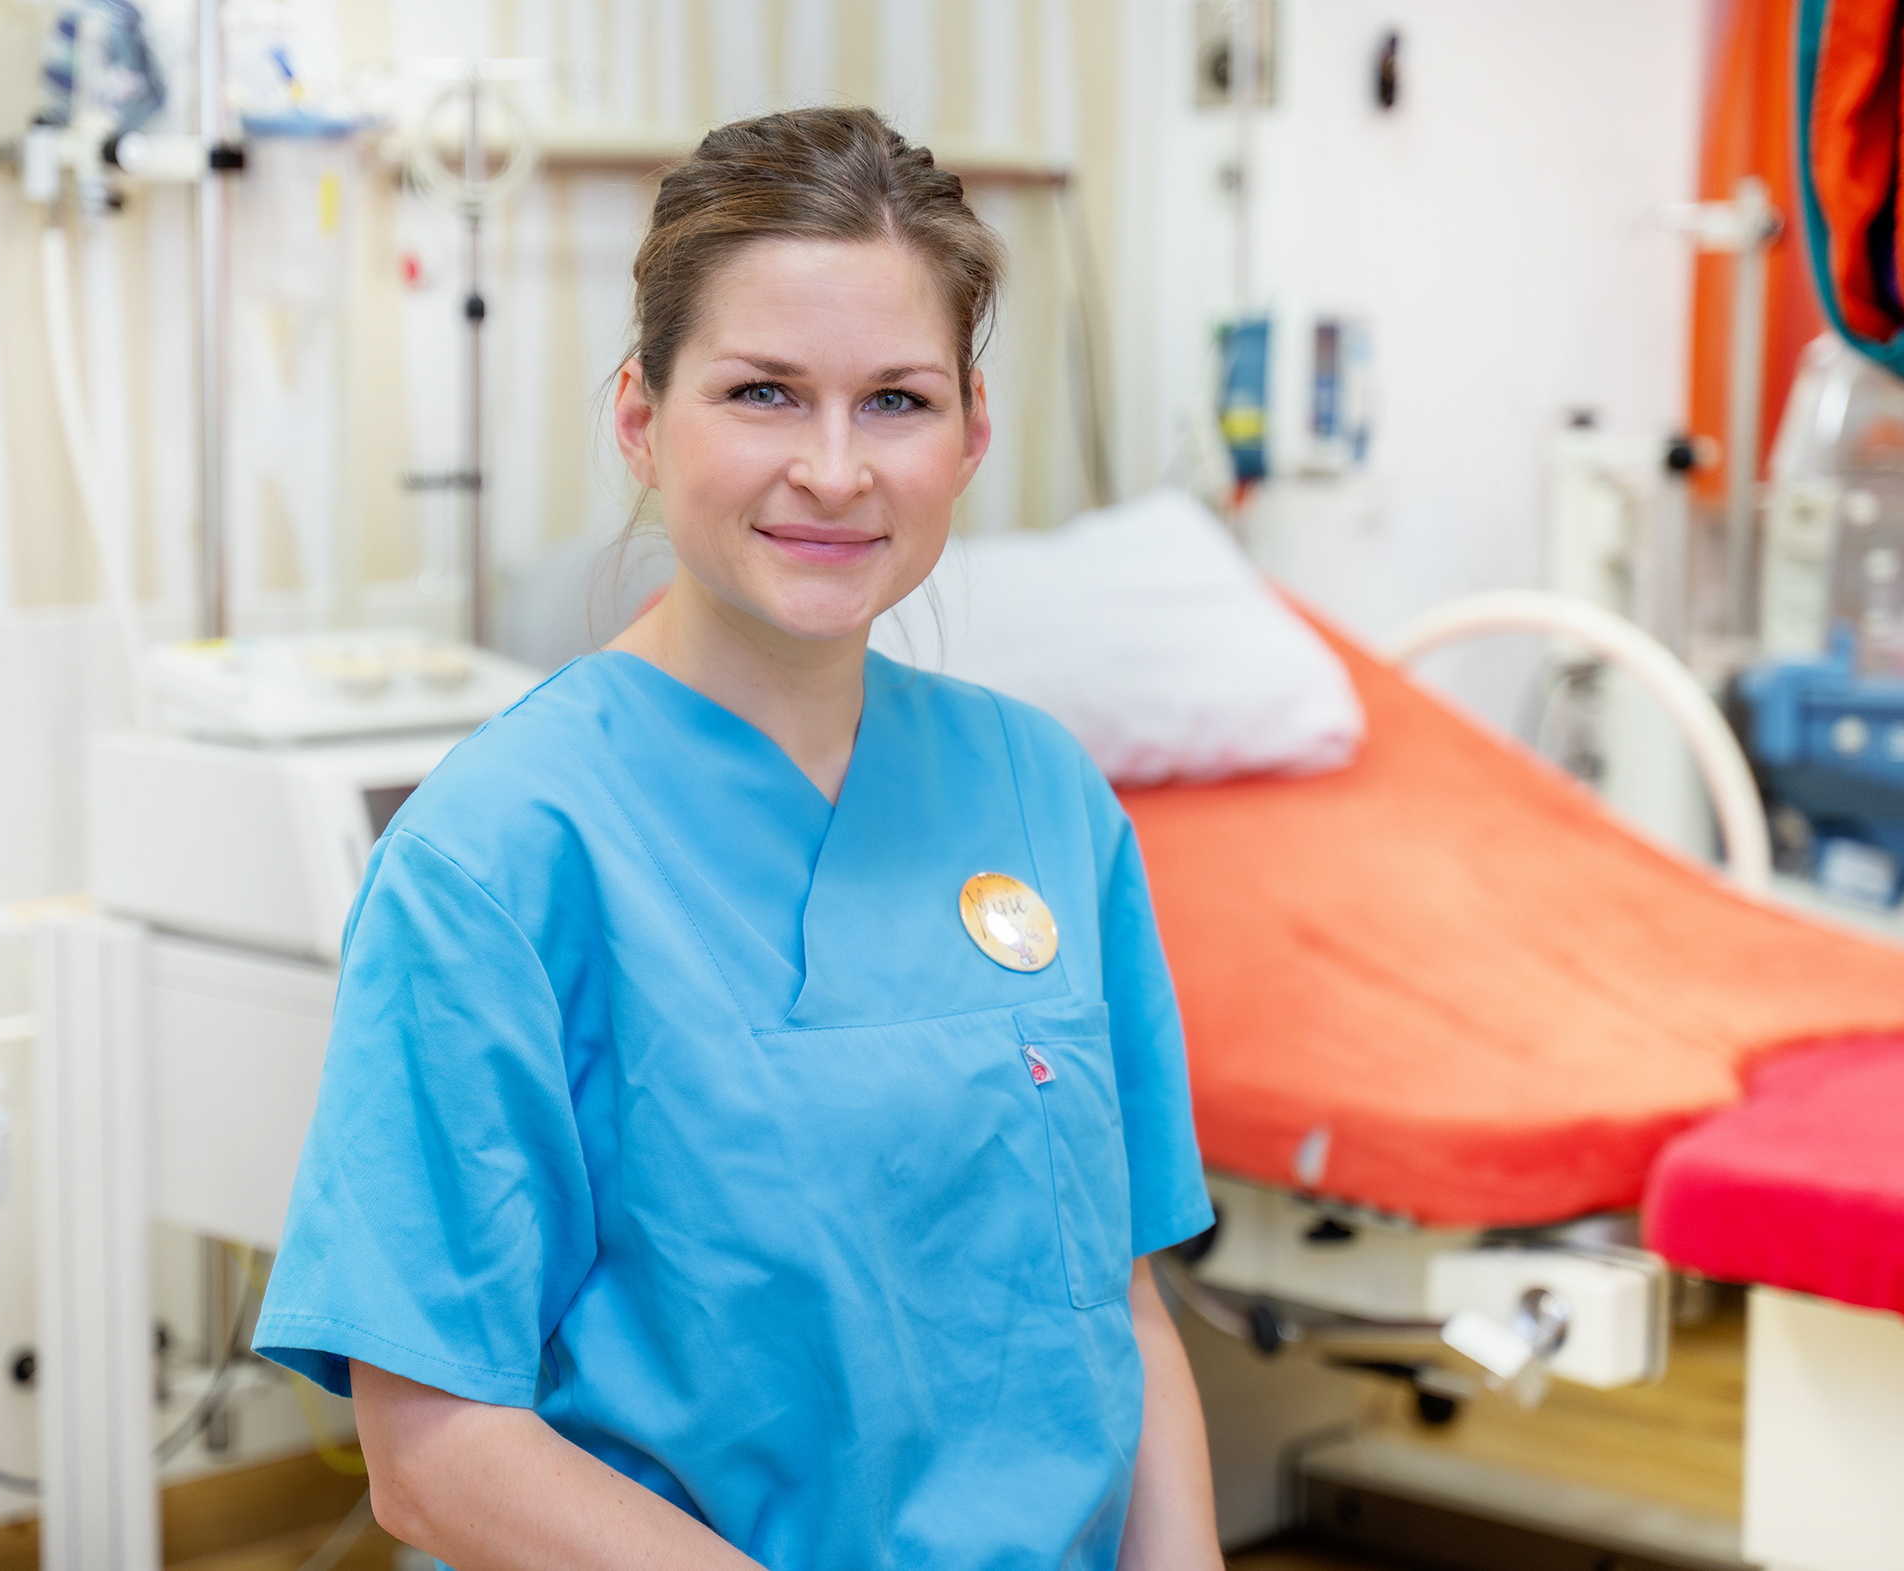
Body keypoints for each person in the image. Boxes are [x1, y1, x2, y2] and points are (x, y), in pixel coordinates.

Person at [253, 105, 1221, 1571]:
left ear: (970, 431)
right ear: (642, 418)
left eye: (895, 401)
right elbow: (438, 1457)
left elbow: (1123, 1312)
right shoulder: (503, 854)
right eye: (763, 393)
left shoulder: (1044, 798)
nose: (834, 470)